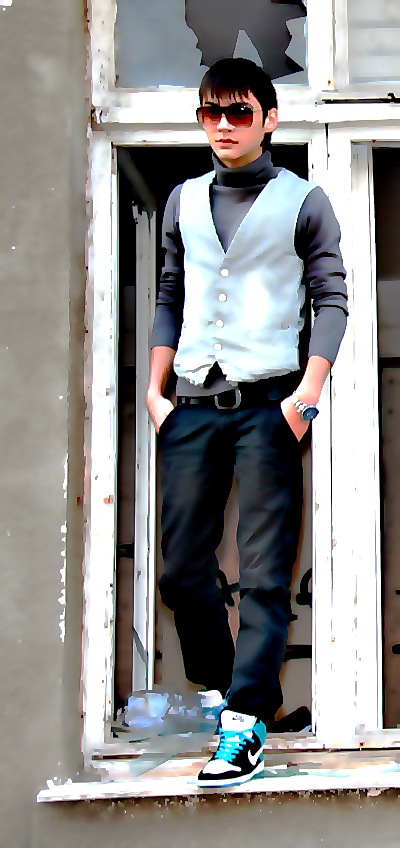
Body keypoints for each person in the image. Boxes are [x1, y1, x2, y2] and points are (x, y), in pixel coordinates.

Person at [146, 57, 347, 788]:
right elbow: (170, 295)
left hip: (270, 406)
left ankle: (244, 724)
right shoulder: (182, 201)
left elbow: (332, 299)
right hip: (192, 405)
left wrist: (306, 397)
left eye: (239, 112)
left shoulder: (304, 200)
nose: (224, 125)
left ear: (268, 119)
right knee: (179, 569)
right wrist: (155, 392)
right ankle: (223, 685)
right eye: (211, 112)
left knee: (264, 574)